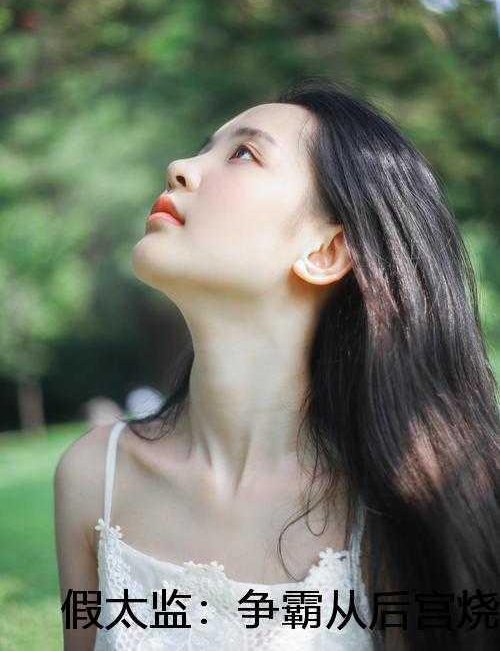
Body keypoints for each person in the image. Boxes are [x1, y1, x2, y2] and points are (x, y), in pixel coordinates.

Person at [54, 76, 500, 651]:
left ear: (326, 252)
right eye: (206, 147)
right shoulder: (95, 477)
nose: (180, 167)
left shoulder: (403, 504)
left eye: (243, 153)